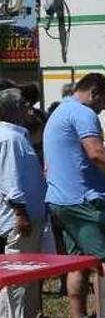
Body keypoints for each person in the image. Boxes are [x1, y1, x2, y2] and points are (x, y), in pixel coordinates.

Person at [44, 73, 105, 318]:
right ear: (94, 92)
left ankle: (79, 314)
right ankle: (104, 313)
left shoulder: (60, 112)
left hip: (60, 199)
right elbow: (96, 152)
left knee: (80, 264)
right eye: (104, 101)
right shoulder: (83, 114)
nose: (104, 107)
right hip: (85, 199)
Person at [0, 89, 45, 318]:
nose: (31, 106)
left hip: (26, 216)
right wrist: (20, 212)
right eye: (24, 102)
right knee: (18, 279)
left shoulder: (18, 135)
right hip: (19, 219)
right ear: (10, 109)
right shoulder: (10, 137)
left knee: (27, 279)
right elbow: (10, 177)